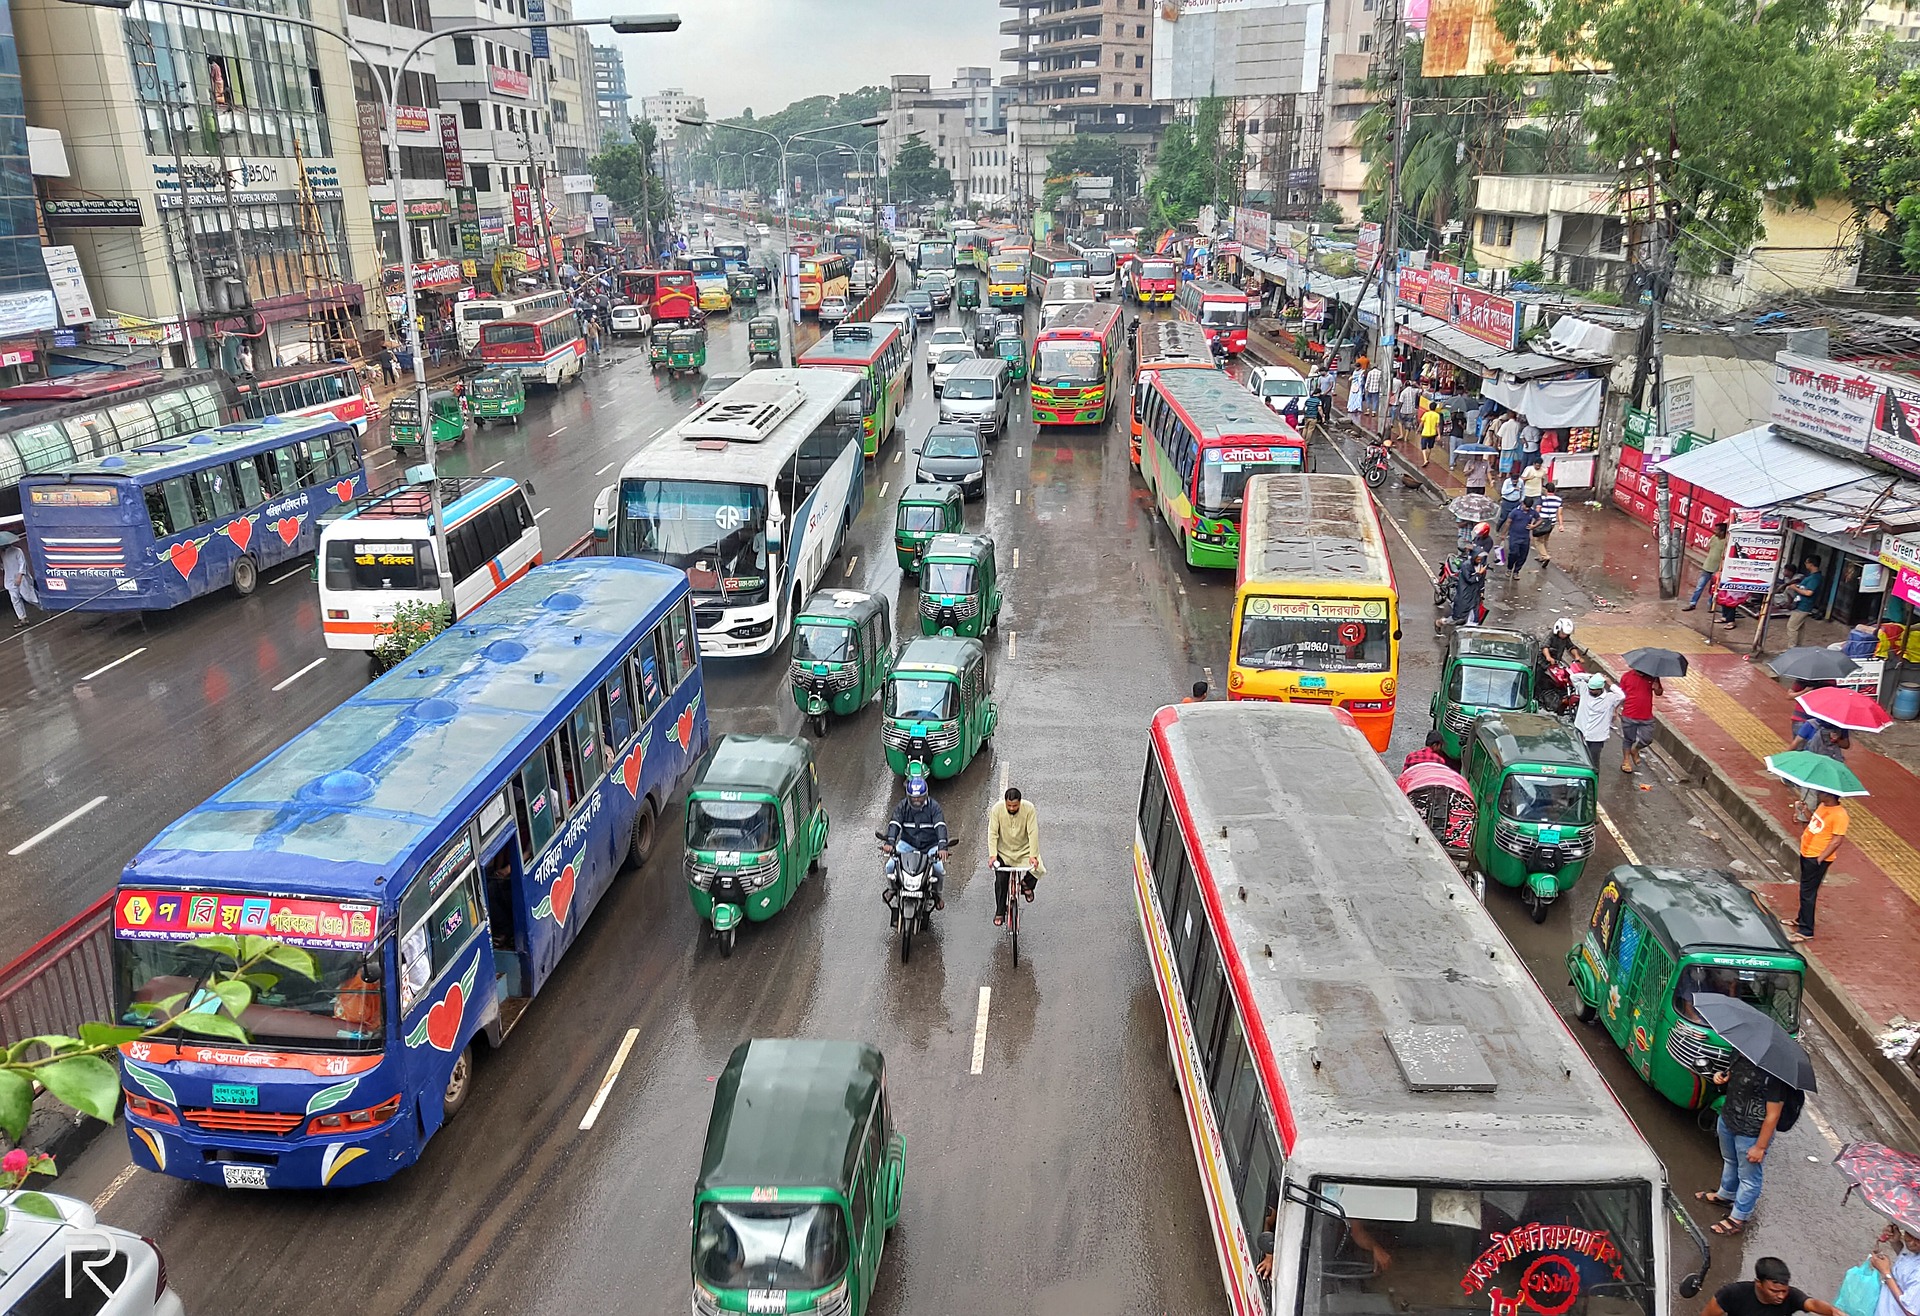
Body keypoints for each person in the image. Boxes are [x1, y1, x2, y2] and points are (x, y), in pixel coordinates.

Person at [1700, 1056, 1796, 1234]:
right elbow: (1731, 1081)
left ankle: (1738, 1217)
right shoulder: (1739, 1054)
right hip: (1729, 1119)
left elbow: (1773, 1115)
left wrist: (1760, 1146)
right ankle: (1726, 1194)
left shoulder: (1776, 1072)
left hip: (1752, 1132)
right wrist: (1721, 1078)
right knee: (1730, 1160)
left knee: (1749, 1178)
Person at [884, 773, 949, 913]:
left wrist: (942, 847)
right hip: (908, 844)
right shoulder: (902, 807)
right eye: (914, 797)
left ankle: (937, 895)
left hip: (930, 846)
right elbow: (894, 824)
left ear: (925, 795)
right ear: (908, 796)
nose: (917, 800)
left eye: (919, 797)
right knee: (889, 866)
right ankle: (892, 889)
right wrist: (890, 842)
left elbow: (940, 827)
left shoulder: (934, 808)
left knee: (938, 870)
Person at [1790, 790, 1848, 943]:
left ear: (1830, 795)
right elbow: (1815, 824)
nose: (1819, 794)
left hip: (1816, 858)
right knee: (1805, 888)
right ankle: (1800, 919)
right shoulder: (1823, 806)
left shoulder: (1840, 815)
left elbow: (1836, 841)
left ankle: (1806, 930)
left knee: (1808, 892)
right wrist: (1804, 811)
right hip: (1807, 853)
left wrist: (1820, 859)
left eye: (1822, 793)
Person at [1701, 1259, 1839, 1316]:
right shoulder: (1732, 1294)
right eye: (1774, 1291)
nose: (1780, 1296)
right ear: (1758, 1283)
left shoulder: (1791, 1296)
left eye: (1784, 1291)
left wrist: (1833, 1312)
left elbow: (1813, 1304)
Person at [987, 786, 1044, 927]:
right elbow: (993, 833)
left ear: (1020, 803)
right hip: (1003, 851)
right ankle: (1000, 911)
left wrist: (1033, 855)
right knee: (1001, 880)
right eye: (1009, 806)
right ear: (1005, 803)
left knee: (1038, 869)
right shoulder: (997, 810)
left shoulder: (1029, 809)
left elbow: (1033, 832)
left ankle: (1026, 884)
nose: (1012, 808)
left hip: (1023, 850)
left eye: (1015, 806)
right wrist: (993, 855)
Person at [1575, 673, 1626, 768]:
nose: (1591, 691)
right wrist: (1590, 676)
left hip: (1596, 738)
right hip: (1580, 733)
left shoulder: (1610, 699)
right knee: (1578, 760)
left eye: (1594, 690)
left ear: (1601, 689)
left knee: (1593, 762)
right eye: (1590, 689)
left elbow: (1621, 695)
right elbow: (1573, 677)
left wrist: (1610, 683)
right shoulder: (1584, 690)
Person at [1618, 666, 1661, 774]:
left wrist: (1657, 688)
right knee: (1629, 739)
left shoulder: (1653, 677)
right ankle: (1626, 761)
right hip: (1629, 714)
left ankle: (1635, 749)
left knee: (1647, 739)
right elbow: (1620, 695)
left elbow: (1659, 692)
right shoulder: (1626, 677)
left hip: (1646, 716)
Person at [1870, 1227, 1920, 1316]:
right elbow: (1907, 1268)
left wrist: (1886, 1273)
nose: (1911, 1242)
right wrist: (1895, 1242)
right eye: (1910, 1234)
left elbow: (1911, 1311)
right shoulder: (1914, 1252)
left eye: (1918, 1240)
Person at [1684, 520, 1730, 610]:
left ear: (1722, 532)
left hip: (1717, 569)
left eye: (1717, 530)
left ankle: (1710, 605)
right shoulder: (1713, 538)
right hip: (1707, 567)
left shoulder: (1726, 542)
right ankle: (1693, 603)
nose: (1714, 531)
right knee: (1699, 587)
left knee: (1713, 589)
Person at [1785, 555, 1825, 647]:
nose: (1805, 564)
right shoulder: (1812, 576)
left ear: (1811, 564)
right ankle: (1797, 647)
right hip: (1801, 604)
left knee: (1792, 627)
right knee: (1799, 627)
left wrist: (1795, 588)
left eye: (1806, 563)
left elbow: (1808, 593)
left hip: (1804, 605)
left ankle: (1792, 648)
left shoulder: (1815, 578)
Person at [2, 537, 35, 628]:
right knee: (15, 599)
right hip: (9, 580)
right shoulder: (3, 554)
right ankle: (22, 618)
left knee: (29, 597)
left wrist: (20, 575)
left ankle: (46, 609)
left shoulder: (17, 551)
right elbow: (5, 567)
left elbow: (22, 563)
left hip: (21, 578)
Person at [1504, 498, 1538, 577]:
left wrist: (1534, 526)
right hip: (1514, 537)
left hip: (1525, 538)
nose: (1527, 509)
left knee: (1523, 555)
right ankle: (1509, 568)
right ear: (1522, 504)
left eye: (1528, 508)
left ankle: (1516, 571)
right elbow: (1508, 522)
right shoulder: (1515, 512)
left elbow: (1539, 519)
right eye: (1526, 507)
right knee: (1513, 553)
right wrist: (1503, 534)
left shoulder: (1532, 512)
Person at [1533, 481, 1562, 568]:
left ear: (1546, 490)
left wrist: (1533, 521)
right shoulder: (1559, 500)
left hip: (1541, 522)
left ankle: (1545, 556)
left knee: (1537, 540)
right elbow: (1560, 513)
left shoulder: (1541, 499)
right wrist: (1561, 525)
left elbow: (1537, 510)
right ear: (1554, 490)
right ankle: (1542, 556)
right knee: (1545, 539)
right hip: (1551, 523)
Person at [1496, 411, 1521, 476]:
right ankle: (1507, 473)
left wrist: (1499, 444)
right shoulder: (1517, 425)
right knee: (1510, 460)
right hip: (1512, 444)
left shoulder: (1505, 424)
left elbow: (1500, 435)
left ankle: (1501, 473)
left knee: (1503, 459)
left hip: (1504, 444)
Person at [1418, 400, 1442, 467]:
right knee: (1430, 447)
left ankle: (1425, 460)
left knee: (1423, 447)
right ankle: (1427, 458)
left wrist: (1418, 430)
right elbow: (1437, 426)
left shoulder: (1426, 414)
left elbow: (1421, 423)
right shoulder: (1437, 415)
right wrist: (1439, 434)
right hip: (1433, 433)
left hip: (1425, 433)